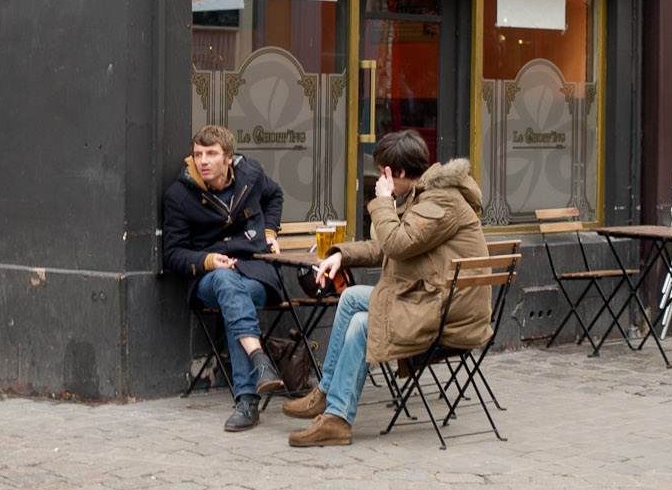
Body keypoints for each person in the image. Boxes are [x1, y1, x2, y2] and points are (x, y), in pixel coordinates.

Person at [281, 130, 489, 447]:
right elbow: (386, 247)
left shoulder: (440, 202)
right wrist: (341, 255)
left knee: (364, 324)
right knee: (350, 297)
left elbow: (396, 242)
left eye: (382, 172)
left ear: (399, 173)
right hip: (433, 301)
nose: (380, 178)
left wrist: (382, 203)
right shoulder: (425, 197)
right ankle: (325, 393)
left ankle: (338, 418)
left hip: (448, 314)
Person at [161, 124, 288, 432]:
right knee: (226, 282)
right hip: (208, 278)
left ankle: (249, 397)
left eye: (211, 154)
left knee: (236, 297)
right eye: (198, 154)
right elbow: (173, 253)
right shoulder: (179, 194)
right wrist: (207, 260)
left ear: (228, 158)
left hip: (255, 273)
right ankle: (257, 369)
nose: (203, 161)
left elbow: (275, 196)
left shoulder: (251, 175)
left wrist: (270, 232)